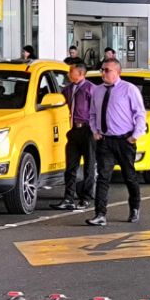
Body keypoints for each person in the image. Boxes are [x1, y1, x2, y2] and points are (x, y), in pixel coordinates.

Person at [86, 59, 146, 226]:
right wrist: (95, 131)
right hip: (105, 141)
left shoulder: (129, 89)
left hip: (124, 140)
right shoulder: (97, 91)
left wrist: (135, 136)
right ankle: (100, 214)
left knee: (129, 177)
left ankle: (134, 207)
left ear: (117, 72)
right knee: (103, 177)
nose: (103, 73)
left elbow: (140, 114)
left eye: (107, 70)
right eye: (102, 70)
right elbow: (92, 114)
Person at [51, 62, 94, 211]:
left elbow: (97, 110)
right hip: (73, 130)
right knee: (70, 166)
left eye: (71, 71)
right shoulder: (67, 90)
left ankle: (86, 198)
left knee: (89, 166)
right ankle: (68, 198)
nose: (69, 74)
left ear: (81, 73)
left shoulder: (90, 89)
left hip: (88, 130)